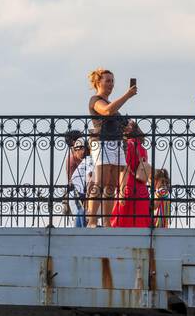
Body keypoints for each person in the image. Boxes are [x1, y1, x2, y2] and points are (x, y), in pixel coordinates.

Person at [86, 68, 136, 227]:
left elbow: (113, 116)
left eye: (112, 81)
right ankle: (92, 220)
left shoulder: (111, 102)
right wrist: (127, 96)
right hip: (102, 143)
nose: (111, 84)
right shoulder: (95, 99)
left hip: (115, 143)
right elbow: (107, 111)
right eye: (107, 81)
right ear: (98, 82)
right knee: (100, 182)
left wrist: (125, 128)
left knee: (111, 185)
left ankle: (107, 221)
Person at [110, 119, 152, 227]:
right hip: (142, 190)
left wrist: (121, 192)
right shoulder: (143, 149)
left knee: (121, 224)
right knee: (140, 225)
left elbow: (125, 169)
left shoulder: (127, 145)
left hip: (128, 187)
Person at [62, 133, 94, 228]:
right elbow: (73, 181)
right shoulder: (72, 159)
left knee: (83, 217)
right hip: (78, 194)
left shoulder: (86, 159)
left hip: (85, 192)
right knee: (81, 216)